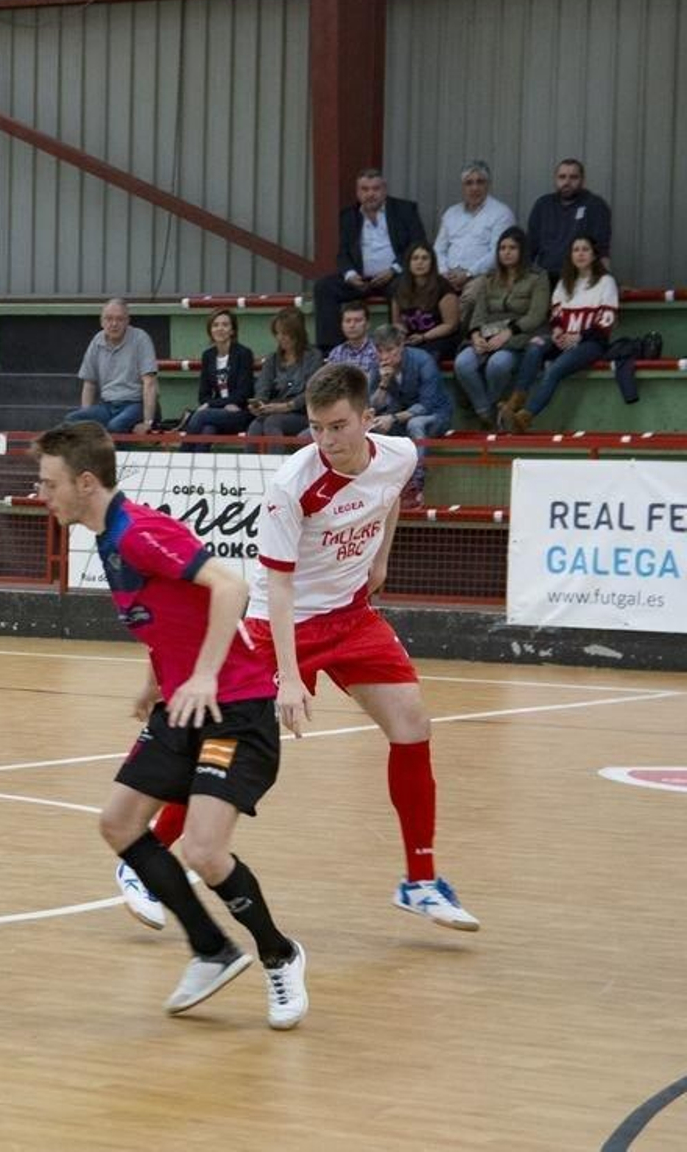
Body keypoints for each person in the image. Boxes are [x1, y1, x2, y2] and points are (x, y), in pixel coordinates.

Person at [118, 363, 481, 934]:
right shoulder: (293, 486)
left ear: (367, 419)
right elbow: (279, 587)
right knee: (222, 744)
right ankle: (146, 860)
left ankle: (420, 882)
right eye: (316, 428)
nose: (327, 440)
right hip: (277, 625)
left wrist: (381, 557)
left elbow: (388, 499)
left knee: (413, 724)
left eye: (338, 426)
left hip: (352, 617)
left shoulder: (401, 454)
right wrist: (288, 676)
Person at [34, 421, 307, 1030]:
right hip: (180, 706)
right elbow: (167, 616)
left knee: (206, 851)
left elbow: (230, 587)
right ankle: (211, 949)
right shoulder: (106, 537)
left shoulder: (137, 534)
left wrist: (206, 674)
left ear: (84, 482)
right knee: (119, 824)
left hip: (234, 707)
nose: (42, 493)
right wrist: (158, 679)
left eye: (49, 483)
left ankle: (280, 955)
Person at [504, 235, 619, 433]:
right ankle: (516, 399)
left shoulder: (606, 281)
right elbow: (556, 313)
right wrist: (557, 330)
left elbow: (606, 321)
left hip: (591, 343)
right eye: (576, 250)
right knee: (535, 345)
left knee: (554, 369)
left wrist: (580, 336)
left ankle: (525, 417)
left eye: (585, 249)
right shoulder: (565, 282)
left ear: (593, 255)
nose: (580, 254)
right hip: (564, 337)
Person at [311, 169, 426, 351]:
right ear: (358, 193)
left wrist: (394, 269)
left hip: (394, 277)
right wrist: (350, 275)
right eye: (365, 189)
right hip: (360, 279)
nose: (370, 194)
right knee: (324, 287)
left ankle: (398, 345)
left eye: (375, 189)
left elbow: (418, 244)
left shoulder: (405, 210)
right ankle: (331, 349)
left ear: (384, 190)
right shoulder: (348, 216)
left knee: (405, 286)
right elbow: (343, 253)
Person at [452, 227, 550, 428]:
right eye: (502, 247)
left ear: (522, 250)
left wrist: (509, 332)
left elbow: (536, 315)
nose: (506, 252)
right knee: (463, 363)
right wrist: (476, 335)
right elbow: (479, 311)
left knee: (497, 364)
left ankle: (490, 411)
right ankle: (486, 411)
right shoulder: (489, 278)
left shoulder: (537, 277)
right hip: (487, 334)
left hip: (518, 337)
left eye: (512, 247)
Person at [370, 325, 453, 507]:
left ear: (401, 346)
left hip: (436, 415)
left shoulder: (423, 360)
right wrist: (383, 383)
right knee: (372, 427)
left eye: (390, 350)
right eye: (380, 351)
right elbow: (372, 406)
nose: (385, 357)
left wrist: (392, 418)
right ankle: (380, 488)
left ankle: (416, 486)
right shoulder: (377, 366)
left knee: (415, 424)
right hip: (402, 415)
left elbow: (426, 406)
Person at [61, 298, 159, 434]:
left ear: (127, 321)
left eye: (119, 319)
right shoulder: (97, 341)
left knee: (115, 427)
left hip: (135, 404)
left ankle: (120, 456)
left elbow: (150, 383)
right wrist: (86, 423)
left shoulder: (140, 339)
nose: (114, 324)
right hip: (107, 406)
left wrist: (148, 422)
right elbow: (89, 383)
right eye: (109, 319)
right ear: (101, 322)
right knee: (71, 421)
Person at [433, 161, 516, 297]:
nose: (474, 188)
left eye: (480, 182)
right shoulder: (451, 213)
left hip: (482, 276)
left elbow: (498, 253)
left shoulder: (501, 213)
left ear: (488, 185)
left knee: (469, 297)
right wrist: (444, 273)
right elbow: (438, 249)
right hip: (448, 276)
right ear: (462, 187)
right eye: (469, 183)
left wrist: (468, 274)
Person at [525, 159, 612, 281]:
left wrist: (605, 281)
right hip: (545, 277)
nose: (567, 182)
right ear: (555, 179)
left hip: (581, 277)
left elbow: (602, 249)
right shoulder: (543, 205)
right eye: (562, 177)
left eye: (573, 177)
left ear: (582, 180)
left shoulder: (595, 205)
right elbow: (530, 246)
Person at [180, 308, 255, 447]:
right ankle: (197, 466)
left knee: (200, 415)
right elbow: (203, 395)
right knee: (207, 430)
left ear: (232, 330)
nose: (220, 329)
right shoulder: (208, 356)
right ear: (210, 331)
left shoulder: (243, 354)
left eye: (225, 325)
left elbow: (243, 394)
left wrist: (211, 404)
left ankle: (182, 459)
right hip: (217, 414)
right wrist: (220, 405)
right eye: (215, 325)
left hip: (239, 413)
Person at [245, 307, 320, 443]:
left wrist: (287, 406)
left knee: (273, 423)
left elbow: (312, 392)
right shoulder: (272, 359)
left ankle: (278, 463)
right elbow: (263, 386)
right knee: (255, 427)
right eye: (277, 333)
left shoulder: (313, 357)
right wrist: (259, 404)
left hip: (302, 413)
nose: (280, 338)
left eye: (285, 333)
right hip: (274, 410)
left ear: (297, 333)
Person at [389, 241, 460, 362]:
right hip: (412, 339)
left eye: (424, 258)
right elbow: (397, 322)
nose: (419, 262)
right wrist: (401, 332)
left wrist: (424, 337)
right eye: (415, 258)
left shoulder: (443, 286)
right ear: (409, 263)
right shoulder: (398, 286)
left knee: (421, 359)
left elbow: (450, 325)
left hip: (439, 339)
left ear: (432, 262)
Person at [326, 301, 379, 376]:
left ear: (367, 324)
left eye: (357, 320)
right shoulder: (336, 353)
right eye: (348, 321)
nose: (352, 325)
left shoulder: (377, 351)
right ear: (342, 325)